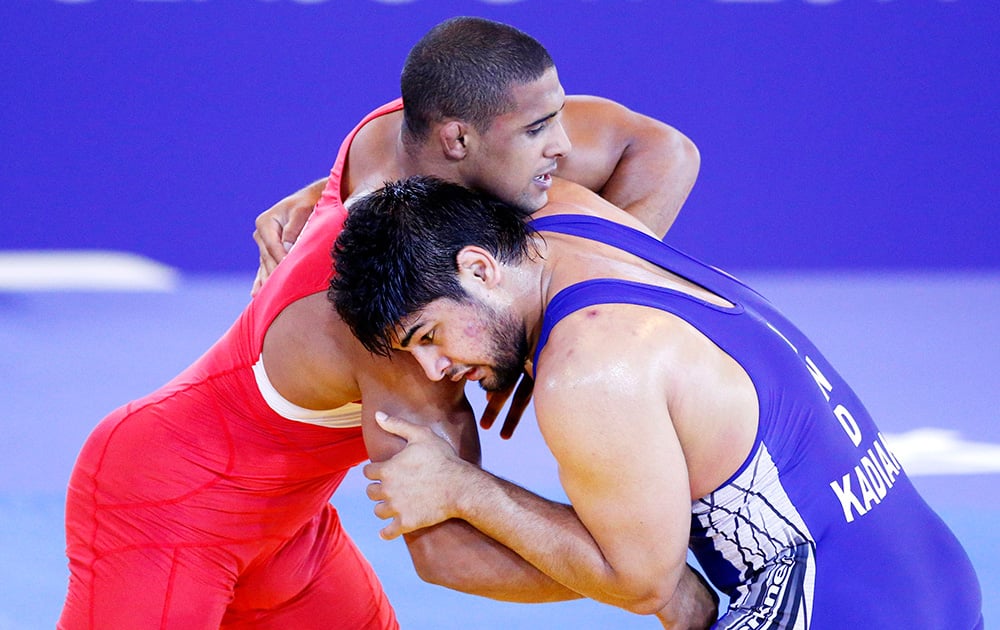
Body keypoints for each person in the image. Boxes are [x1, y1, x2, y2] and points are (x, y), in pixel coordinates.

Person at [60, 16, 712, 629]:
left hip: (289, 525)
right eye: (539, 129)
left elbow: (660, 152)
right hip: (163, 505)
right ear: (458, 140)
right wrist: (647, 576)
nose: (562, 147)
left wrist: (551, 328)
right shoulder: (403, 331)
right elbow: (447, 554)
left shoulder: (403, 134)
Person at [328, 175, 985, 629]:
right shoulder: (570, 209)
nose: (436, 369)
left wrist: (464, 488)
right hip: (935, 578)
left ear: (478, 269)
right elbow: (659, 147)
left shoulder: (589, 369)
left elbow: (641, 581)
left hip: (842, 610)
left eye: (430, 336)